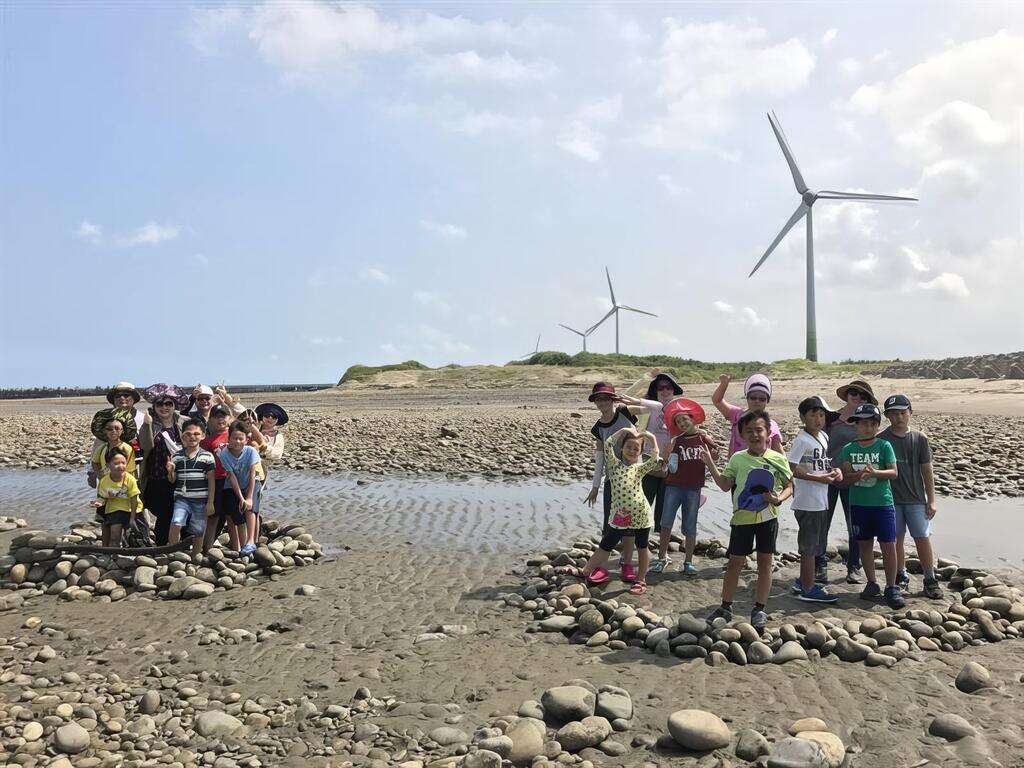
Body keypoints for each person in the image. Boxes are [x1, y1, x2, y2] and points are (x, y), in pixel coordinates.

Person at [703, 411, 793, 630]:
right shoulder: (737, 458)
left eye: (759, 430)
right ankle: (725, 606)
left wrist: (778, 499)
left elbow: (790, 486)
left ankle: (759, 609)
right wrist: (709, 463)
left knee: (765, 563)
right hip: (741, 520)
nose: (754, 435)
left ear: (768, 432)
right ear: (742, 435)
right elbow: (724, 485)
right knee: (734, 563)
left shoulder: (778, 459)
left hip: (768, 519)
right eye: (749, 431)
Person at [562, 427, 661, 595]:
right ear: (621, 448)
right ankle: (585, 571)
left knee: (642, 546)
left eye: (636, 448)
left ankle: (641, 580)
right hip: (620, 515)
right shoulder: (614, 465)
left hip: (641, 515)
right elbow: (608, 444)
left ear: (640, 452)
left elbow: (654, 459)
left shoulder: (639, 469)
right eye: (628, 446)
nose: (632, 450)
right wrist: (623, 430)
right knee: (606, 544)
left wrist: (650, 437)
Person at [839, 403, 904, 609]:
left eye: (870, 424)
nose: (866, 428)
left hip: (882, 504)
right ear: (856, 426)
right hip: (858, 505)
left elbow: (893, 472)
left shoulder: (884, 446)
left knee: (888, 545)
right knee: (865, 544)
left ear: (877, 425)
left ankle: (892, 587)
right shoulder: (848, 449)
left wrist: (875, 473)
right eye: (862, 424)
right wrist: (857, 475)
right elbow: (846, 478)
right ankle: (872, 583)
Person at [880, 394, 942, 599]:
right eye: (893, 413)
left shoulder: (919, 438)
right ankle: (900, 574)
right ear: (887, 416)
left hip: (916, 499)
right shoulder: (882, 439)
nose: (898, 417)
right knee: (895, 539)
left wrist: (931, 500)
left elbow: (927, 470)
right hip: (891, 500)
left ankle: (930, 578)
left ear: (910, 413)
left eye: (902, 413)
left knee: (922, 538)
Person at [820, 380, 878, 585]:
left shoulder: (867, 423)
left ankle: (854, 566)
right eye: (854, 393)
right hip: (827, 477)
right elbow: (818, 443)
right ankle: (819, 564)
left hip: (854, 480)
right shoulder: (830, 418)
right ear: (846, 395)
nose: (857, 397)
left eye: (863, 396)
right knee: (822, 523)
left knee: (855, 525)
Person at [651, 399, 718, 575]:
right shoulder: (676, 441)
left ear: (692, 419)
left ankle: (688, 561)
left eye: (685, 419)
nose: (682, 423)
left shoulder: (703, 438)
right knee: (666, 523)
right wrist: (666, 456)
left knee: (690, 525)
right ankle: (661, 558)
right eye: (678, 422)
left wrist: (713, 452)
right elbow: (669, 467)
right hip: (673, 487)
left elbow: (715, 457)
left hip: (694, 488)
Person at [788, 396, 844, 603]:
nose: (818, 419)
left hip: (821, 499)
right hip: (807, 500)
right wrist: (818, 478)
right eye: (813, 415)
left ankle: (804, 581)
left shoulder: (823, 436)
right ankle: (808, 588)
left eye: (822, 415)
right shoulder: (801, 440)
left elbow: (824, 463)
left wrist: (835, 471)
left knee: (817, 543)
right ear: (803, 417)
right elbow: (791, 468)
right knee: (809, 546)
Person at [584, 382, 642, 583]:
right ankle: (602, 566)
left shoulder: (625, 412)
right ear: (595, 402)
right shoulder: (598, 428)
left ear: (613, 399)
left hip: (632, 478)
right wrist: (595, 487)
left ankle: (626, 563)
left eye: (606, 398)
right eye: (599, 399)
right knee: (610, 524)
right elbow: (600, 457)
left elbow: (656, 408)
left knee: (629, 525)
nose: (602, 403)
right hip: (612, 480)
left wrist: (634, 400)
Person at [616, 372, 684, 537]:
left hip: (671, 462)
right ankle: (637, 538)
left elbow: (690, 428)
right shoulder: (648, 408)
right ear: (655, 390)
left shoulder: (680, 410)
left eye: (668, 387)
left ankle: (660, 543)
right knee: (643, 500)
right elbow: (623, 402)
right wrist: (644, 379)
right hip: (647, 460)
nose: (665, 390)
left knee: (665, 505)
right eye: (661, 387)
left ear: (673, 390)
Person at [139, 391, 188, 545]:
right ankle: (161, 545)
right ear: (154, 407)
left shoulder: (182, 422)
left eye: (168, 404)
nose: (164, 407)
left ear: (174, 406)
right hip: (157, 476)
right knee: (163, 512)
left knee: (182, 509)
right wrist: (146, 425)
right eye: (160, 404)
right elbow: (145, 446)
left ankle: (183, 542)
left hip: (181, 476)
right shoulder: (150, 424)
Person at [167, 420, 216, 555]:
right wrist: (170, 471)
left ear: (203, 436)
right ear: (183, 436)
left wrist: (210, 502)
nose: (192, 437)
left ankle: (196, 556)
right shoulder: (177, 456)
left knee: (198, 529)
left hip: (200, 499)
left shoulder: (207, 456)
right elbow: (172, 480)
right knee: (176, 522)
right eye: (188, 434)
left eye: (196, 434)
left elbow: (211, 481)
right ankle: (173, 551)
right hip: (181, 498)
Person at [215, 422, 262, 554]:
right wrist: (241, 498)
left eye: (241, 438)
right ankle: (241, 546)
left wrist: (248, 497)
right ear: (229, 438)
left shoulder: (251, 451)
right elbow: (232, 477)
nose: (237, 441)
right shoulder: (224, 454)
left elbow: (252, 474)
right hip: (233, 485)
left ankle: (251, 541)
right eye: (234, 438)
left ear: (246, 440)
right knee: (235, 511)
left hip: (252, 482)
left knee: (250, 508)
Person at [711, 373, 784, 456]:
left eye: (762, 399)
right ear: (747, 398)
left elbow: (779, 452)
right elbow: (717, 401)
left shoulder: (772, 425)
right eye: (753, 398)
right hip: (737, 463)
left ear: (767, 401)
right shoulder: (737, 415)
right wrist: (724, 384)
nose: (757, 401)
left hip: (761, 463)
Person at [91, 447, 140, 548]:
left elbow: (134, 499)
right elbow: (102, 497)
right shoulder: (104, 481)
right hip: (114, 509)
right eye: (116, 463)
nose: (121, 466)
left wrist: (132, 518)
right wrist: (98, 503)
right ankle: (113, 553)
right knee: (114, 535)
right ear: (108, 465)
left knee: (138, 536)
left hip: (133, 509)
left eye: (123, 463)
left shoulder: (130, 479)